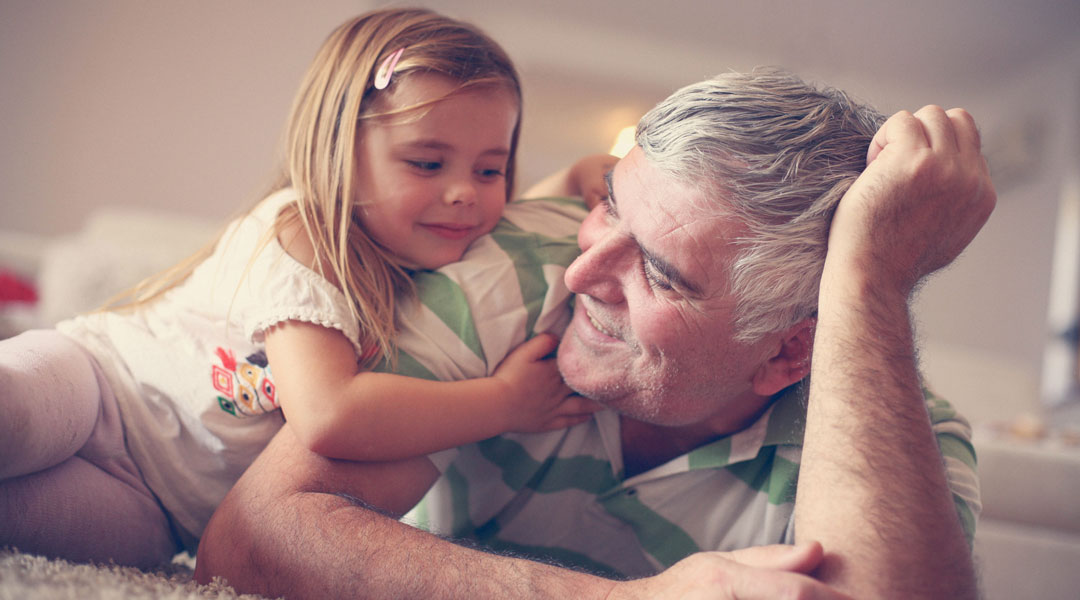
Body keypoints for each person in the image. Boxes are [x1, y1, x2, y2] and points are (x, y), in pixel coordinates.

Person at [194, 69, 994, 598]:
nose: (584, 272)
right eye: (610, 203)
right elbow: (246, 540)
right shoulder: (519, 265)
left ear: (790, 349)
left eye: (661, 273)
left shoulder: (903, 429)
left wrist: (868, 282)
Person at [0, 8, 603, 568]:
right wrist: (503, 402)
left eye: (489, 169)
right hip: (104, 386)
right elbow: (328, 414)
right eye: (426, 163)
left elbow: (517, 224)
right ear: (340, 147)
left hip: (168, 511)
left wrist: (577, 178)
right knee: (17, 413)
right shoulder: (305, 232)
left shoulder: (435, 248)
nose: (465, 192)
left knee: (23, 520)